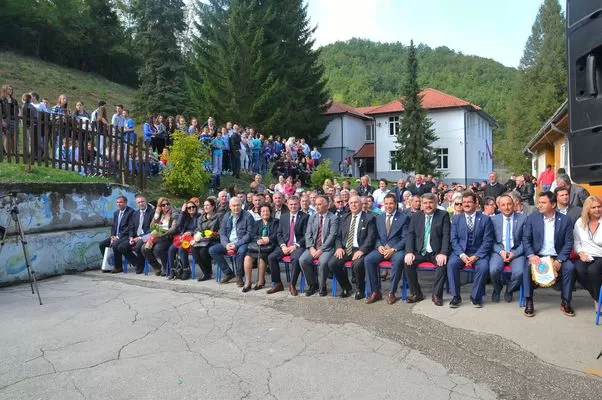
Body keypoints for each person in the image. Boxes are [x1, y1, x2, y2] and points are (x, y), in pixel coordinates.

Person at [523, 191, 575, 317]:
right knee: (528, 267)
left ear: (553, 204)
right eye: (539, 202)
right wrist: (531, 255)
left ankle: (566, 301)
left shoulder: (565, 220)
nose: (539, 205)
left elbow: (569, 243)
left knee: (569, 268)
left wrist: (560, 260)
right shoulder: (532, 218)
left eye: (543, 203)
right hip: (538, 255)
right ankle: (529, 300)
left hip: (557, 256)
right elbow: (526, 239)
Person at [448, 191, 494, 308]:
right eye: (464, 202)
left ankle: (475, 297)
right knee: (452, 264)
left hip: (478, 253)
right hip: (461, 252)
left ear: (475, 203)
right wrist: (462, 255)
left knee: (483, 267)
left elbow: (487, 241)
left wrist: (476, 256)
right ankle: (456, 296)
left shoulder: (485, 219)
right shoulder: (456, 219)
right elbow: (453, 240)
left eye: (469, 202)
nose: (466, 204)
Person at [404, 193, 450, 306]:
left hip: (436, 251)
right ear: (421, 204)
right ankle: (416, 293)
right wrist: (409, 252)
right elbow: (410, 234)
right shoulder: (415, 216)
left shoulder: (443, 215)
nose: (428, 205)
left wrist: (443, 253)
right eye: (425, 203)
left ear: (436, 203)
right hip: (420, 251)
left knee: (442, 264)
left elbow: (446, 235)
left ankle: (436, 294)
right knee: (407, 262)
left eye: (431, 202)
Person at [327, 195, 376, 299]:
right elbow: (338, 236)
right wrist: (339, 247)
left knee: (357, 264)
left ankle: (360, 289)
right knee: (332, 263)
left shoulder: (369, 218)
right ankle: (346, 287)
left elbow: (371, 237)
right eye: (351, 203)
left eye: (356, 202)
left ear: (361, 204)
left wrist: (362, 250)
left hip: (360, 249)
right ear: (348, 205)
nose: (353, 205)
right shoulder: (344, 217)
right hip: (346, 249)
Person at [266, 196, 308, 295]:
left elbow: (306, 235)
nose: (293, 206)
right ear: (287, 205)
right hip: (285, 245)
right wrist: (283, 245)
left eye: (295, 204)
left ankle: (292, 284)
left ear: (299, 204)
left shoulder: (305, 217)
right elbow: (279, 233)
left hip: (298, 246)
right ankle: (277, 283)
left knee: (296, 259)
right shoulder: (283, 217)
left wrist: (296, 245)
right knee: (271, 257)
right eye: (291, 204)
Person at [488, 194, 526, 303]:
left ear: (513, 205)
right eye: (503, 205)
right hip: (499, 250)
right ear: (499, 207)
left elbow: (526, 241)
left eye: (509, 204)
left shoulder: (523, 218)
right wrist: (501, 251)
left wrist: (515, 253)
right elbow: (490, 240)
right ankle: (497, 288)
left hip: (516, 251)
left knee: (519, 272)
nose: (506, 207)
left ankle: (509, 290)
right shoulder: (493, 220)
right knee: (493, 270)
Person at [209, 197, 255, 287]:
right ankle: (228, 273)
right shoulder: (226, 216)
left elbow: (249, 234)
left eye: (238, 205)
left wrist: (236, 245)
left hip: (242, 243)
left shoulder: (248, 216)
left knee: (241, 252)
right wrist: (226, 244)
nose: (236, 208)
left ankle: (239, 276)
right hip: (228, 243)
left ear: (241, 206)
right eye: (233, 206)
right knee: (213, 250)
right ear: (230, 206)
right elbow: (222, 233)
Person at [299, 196, 339, 296]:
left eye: (319, 204)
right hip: (313, 246)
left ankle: (322, 286)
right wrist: (311, 247)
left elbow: (332, 236)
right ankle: (312, 285)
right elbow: (308, 233)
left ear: (327, 206)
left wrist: (321, 250)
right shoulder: (312, 217)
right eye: (316, 204)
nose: (317, 207)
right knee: (303, 260)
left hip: (327, 248)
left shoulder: (333, 218)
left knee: (323, 262)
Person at [573, 196, 602, 310]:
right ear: (587, 209)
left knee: (592, 270)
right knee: (578, 269)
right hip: (586, 255)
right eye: (593, 207)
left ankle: (598, 301)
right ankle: (597, 296)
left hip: (600, 255)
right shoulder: (580, 222)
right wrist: (581, 253)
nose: (597, 209)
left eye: (599, 206)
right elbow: (577, 242)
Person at [242, 203, 278, 292]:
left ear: (270, 212)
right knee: (247, 258)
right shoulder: (257, 223)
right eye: (263, 211)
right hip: (258, 246)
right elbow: (252, 235)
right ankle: (248, 282)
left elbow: (277, 235)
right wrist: (260, 239)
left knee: (261, 258)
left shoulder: (276, 222)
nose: (265, 213)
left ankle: (261, 281)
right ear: (260, 213)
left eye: (267, 211)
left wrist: (268, 239)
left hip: (270, 246)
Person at [142, 197, 178, 276]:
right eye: (163, 205)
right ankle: (157, 267)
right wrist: (156, 215)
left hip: (169, 238)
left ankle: (166, 267)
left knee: (158, 249)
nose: (166, 206)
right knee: (144, 248)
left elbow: (173, 229)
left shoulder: (174, 213)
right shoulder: (159, 214)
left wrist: (160, 232)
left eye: (167, 204)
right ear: (160, 207)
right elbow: (151, 227)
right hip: (158, 238)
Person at [99, 196, 134, 274]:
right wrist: (112, 236)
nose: (118, 204)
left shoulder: (131, 212)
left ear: (125, 202)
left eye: (121, 202)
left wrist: (118, 237)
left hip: (125, 236)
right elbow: (114, 226)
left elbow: (129, 227)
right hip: (116, 236)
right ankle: (108, 265)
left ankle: (118, 267)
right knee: (102, 244)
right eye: (117, 202)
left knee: (115, 245)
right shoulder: (116, 213)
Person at [166, 201, 200, 279]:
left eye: (193, 207)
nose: (191, 209)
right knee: (171, 249)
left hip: (194, 238)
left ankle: (186, 270)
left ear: (196, 208)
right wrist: (182, 212)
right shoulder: (185, 216)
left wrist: (191, 233)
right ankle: (172, 271)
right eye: (189, 208)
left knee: (182, 248)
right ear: (186, 209)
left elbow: (199, 229)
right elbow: (178, 225)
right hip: (183, 238)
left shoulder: (199, 216)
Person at [121, 195, 154, 274]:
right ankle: (136, 263)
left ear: (146, 202)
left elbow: (152, 229)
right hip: (135, 236)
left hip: (146, 236)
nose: (141, 204)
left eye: (142, 201)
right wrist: (131, 237)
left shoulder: (152, 212)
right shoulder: (135, 213)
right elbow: (131, 227)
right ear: (137, 204)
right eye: (139, 202)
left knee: (138, 247)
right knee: (122, 247)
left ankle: (140, 265)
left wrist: (139, 238)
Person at [191, 198, 221, 281]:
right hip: (202, 240)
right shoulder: (201, 217)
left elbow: (220, 231)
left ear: (213, 206)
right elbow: (197, 230)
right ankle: (206, 272)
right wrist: (196, 236)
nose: (205, 207)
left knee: (203, 251)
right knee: (193, 248)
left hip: (213, 240)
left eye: (207, 205)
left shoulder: (218, 216)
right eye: (204, 205)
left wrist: (212, 235)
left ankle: (208, 272)